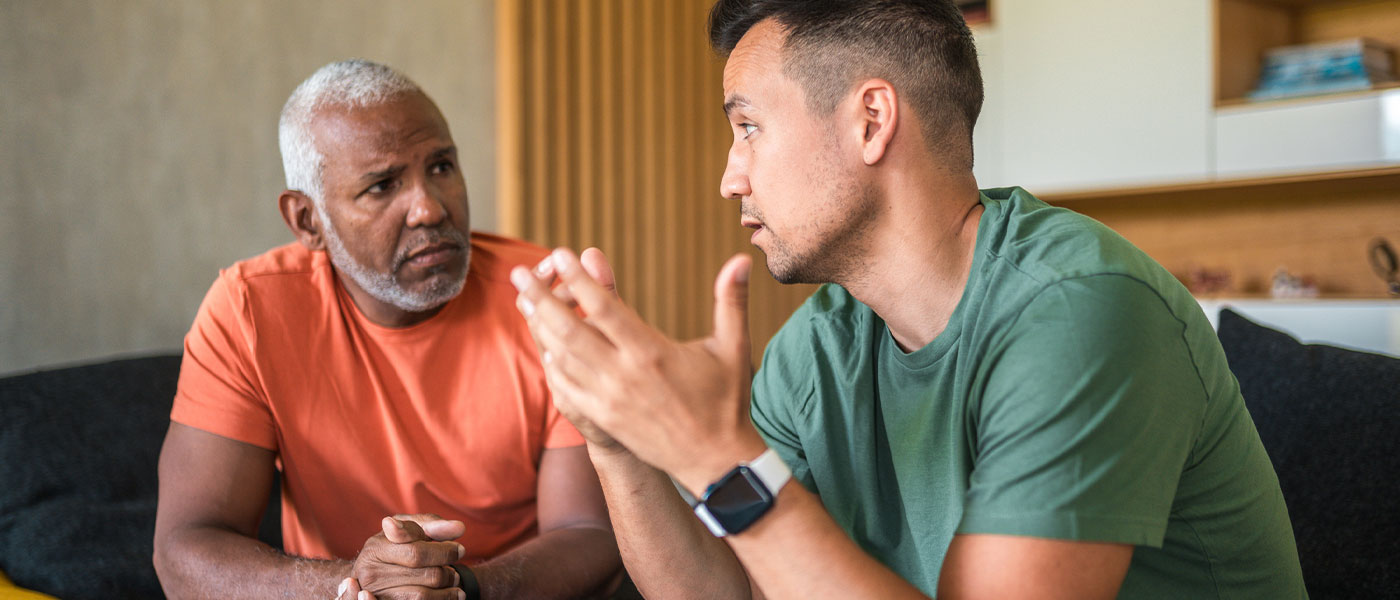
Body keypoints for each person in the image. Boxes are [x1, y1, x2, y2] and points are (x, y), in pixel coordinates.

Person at [509, 1, 1307, 598]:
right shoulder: (819, 346)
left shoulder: (1080, 310)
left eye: (747, 127)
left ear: (870, 120)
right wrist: (614, 440)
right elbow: (727, 590)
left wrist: (718, 458)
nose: (730, 176)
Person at [153, 59, 621, 600]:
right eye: (381, 186)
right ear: (308, 221)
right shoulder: (249, 309)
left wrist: (460, 589)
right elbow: (184, 550)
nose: (428, 208)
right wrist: (359, 588)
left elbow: (588, 534)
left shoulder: (548, 296)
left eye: (441, 167)